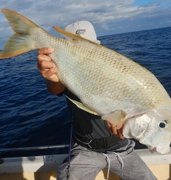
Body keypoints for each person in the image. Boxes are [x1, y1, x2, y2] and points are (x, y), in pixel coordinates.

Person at [37, 20, 157, 180]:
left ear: (98, 48)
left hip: (121, 148)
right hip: (84, 148)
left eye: (88, 48)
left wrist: (128, 127)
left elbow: (136, 111)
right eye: (76, 48)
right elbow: (55, 88)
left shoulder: (116, 73)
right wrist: (50, 76)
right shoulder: (67, 73)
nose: (83, 54)